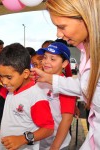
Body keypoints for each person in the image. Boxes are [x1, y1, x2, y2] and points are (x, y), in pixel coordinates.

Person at [31, 0, 100, 149]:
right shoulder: (85, 50)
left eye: (62, 27)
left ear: (85, 18)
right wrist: (50, 79)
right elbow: (85, 85)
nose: (58, 34)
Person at [0, 43, 54, 150]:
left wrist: (23, 139)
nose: (4, 81)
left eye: (8, 77)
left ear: (25, 73)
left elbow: (48, 129)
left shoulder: (36, 97)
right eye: (1, 76)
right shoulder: (11, 88)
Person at [37, 42, 76, 150]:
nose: (46, 62)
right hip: (38, 141)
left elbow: (67, 119)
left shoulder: (66, 86)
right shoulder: (39, 79)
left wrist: (55, 146)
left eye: (52, 59)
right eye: (45, 57)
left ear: (64, 64)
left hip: (57, 144)